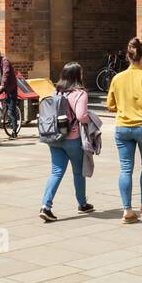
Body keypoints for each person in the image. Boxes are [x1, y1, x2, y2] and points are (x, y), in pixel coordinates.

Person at [105, 37, 142, 224]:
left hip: (123, 126)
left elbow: (110, 105)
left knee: (125, 169)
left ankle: (127, 210)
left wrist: (125, 108)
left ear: (128, 57)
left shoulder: (117, 78)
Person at [40, 62, 94, 222]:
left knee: (56, 172)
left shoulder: (57, 91)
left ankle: (45, 206)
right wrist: (90, 118)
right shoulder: (80, 93)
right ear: (77, 75)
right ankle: (82, 204)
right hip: (72, 138)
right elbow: (81, 116)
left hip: (55, 137)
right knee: (78, 172)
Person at [0, 45, 19, 129]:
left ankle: (14, 130)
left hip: (10, 87)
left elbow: (6, 74)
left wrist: (2, 85)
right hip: (0, 86)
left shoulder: (5, 62)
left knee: (11, 110)